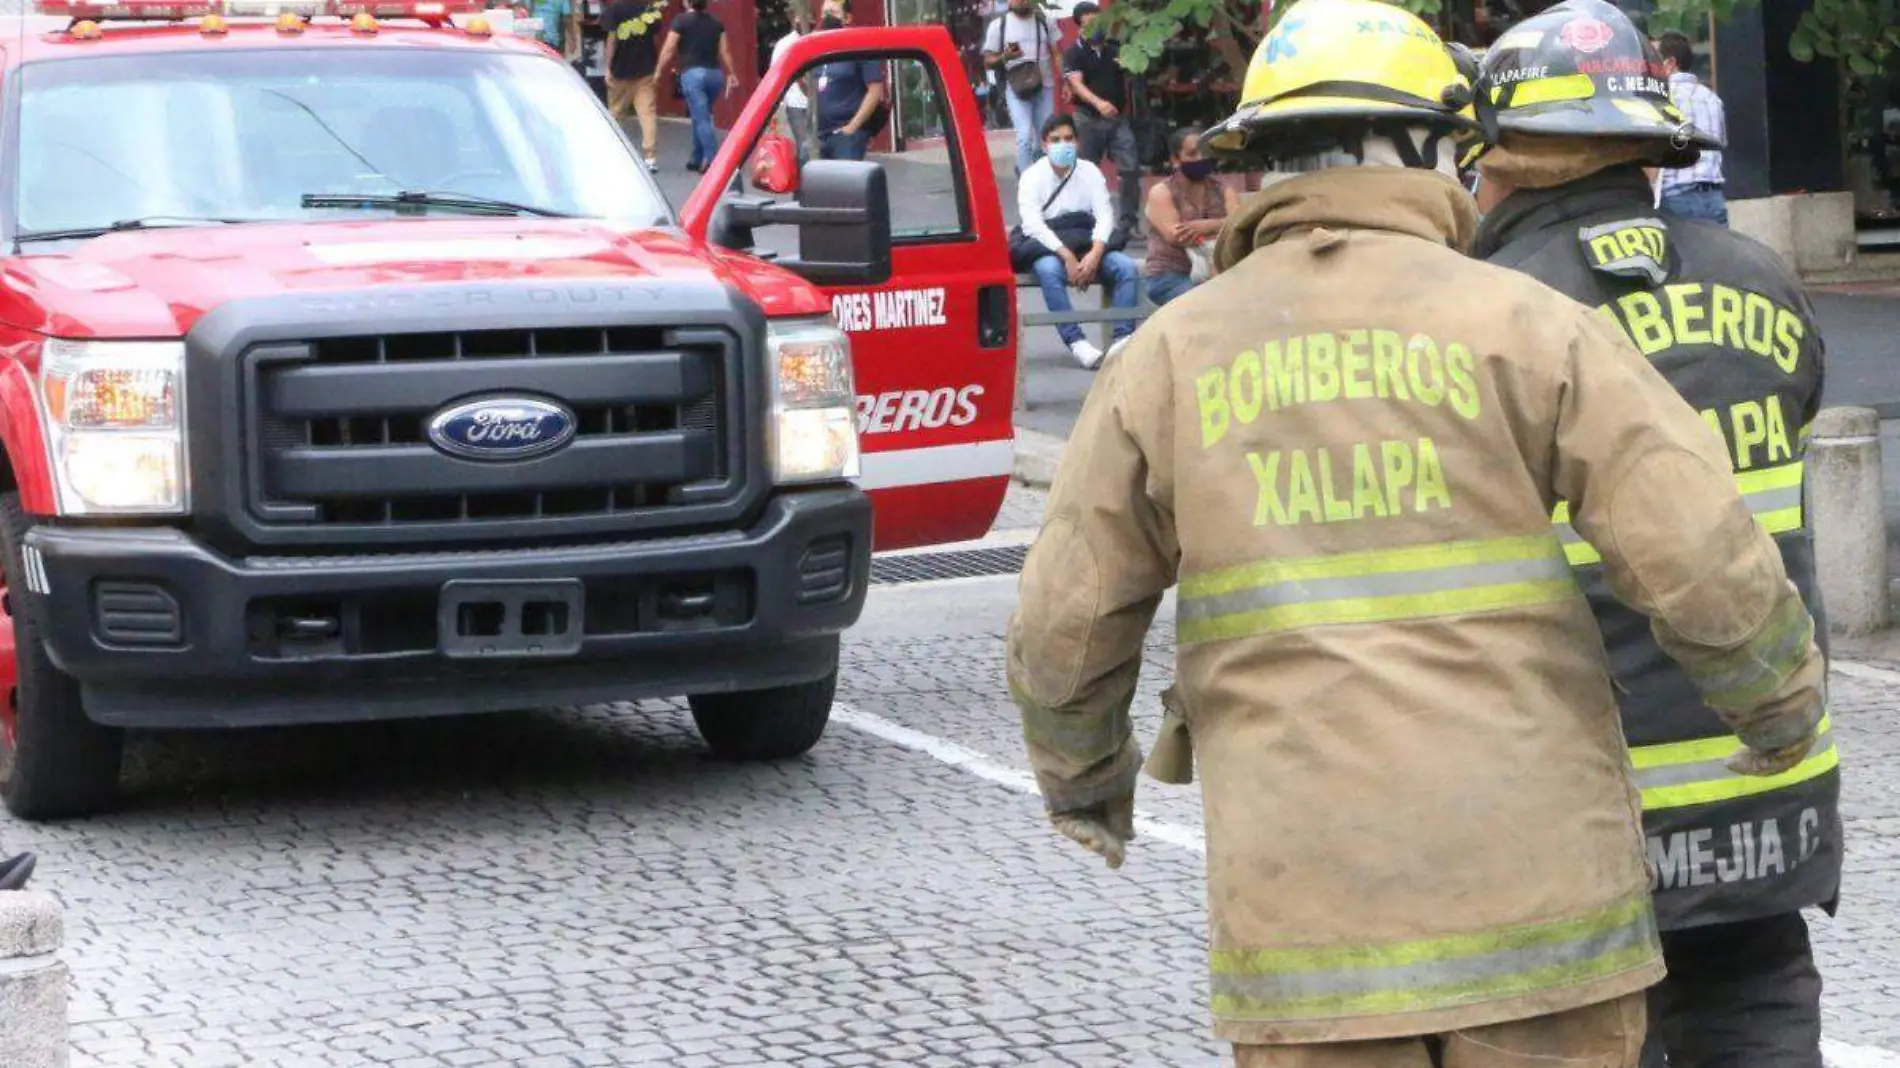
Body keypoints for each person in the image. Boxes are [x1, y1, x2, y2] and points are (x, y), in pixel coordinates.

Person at [1004, 2, 1828, 1065]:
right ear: (1434, 146)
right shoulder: (1530, 327)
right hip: (1543, 919)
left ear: (1260, 159)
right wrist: (1778, 714)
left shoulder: (1164, 360)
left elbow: (1062, 628)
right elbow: (1704, 558)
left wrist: (1085, 786)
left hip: (1309, 939)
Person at [1468, 4, 1843, 1066]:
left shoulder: (1487, 311)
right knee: (1757, 1006)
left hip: (1581, 790)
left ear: (1501, 161)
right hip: (1759, 772)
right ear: (1648, 145)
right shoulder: (1760, 278)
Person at [1015, 113, 1139, 369]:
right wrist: (1066, 256)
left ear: (1078, 142)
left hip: (1087, 242)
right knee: (1049, 270)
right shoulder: (1031, 177)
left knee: (1125, 267)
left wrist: (1095, 252)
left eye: (1069, 138)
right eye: (1056, 139)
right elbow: (1032, 224)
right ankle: (1076, 342)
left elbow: (1104, 215)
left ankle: (1122, 339)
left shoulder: (1090, 171)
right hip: (1049, 247)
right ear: (1044, 144)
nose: (1063, 144)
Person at [1063, 1, 1139, 243]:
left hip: (1118, 119)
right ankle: (1088, 224)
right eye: (1090, 23)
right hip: (1088, 119)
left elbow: (1132, 71)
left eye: (1099, 22)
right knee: (1086, 172)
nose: (1097, 28)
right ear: (1080, 26)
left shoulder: (1115, 48)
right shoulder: (1074, 52)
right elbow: (1076, 84)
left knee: (1130, 168)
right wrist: (1099, 104)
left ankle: (1129, 222)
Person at [1141, 126, 1237, 306]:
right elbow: (1178, 236)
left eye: (1204, 152)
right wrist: (1224, 226)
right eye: (1192, 154)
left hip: (1217, 273)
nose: (1201, 158)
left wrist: (1204, 226)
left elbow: (1240, 223)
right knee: (1208, 304)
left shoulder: (1224, 190)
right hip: (1168, 275)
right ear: (1176, 160)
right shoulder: (1161, 192)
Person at [655, 0, 738, 173]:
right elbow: (724, 51)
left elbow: (669, 48)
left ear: (687, 2)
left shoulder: (680, 20)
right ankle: (696, 157)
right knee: (700, 115)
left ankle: (713, 160)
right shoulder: (716, 23)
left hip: (693, 74)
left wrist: (658, 70)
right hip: (715, 75)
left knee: (701, 118)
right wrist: (731, 73)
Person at [1655, 30, 1728, 225]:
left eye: (1654, 60)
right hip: (1714, 198)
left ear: (1669, 63)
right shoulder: (1712, 99)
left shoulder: (1662, 97)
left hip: (1675, 198)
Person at [982, 0, 1061, 174]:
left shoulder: (1044, 21)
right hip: (1015, 87)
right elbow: (988, 60)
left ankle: (1040, 174)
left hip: (1044, 85)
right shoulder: (999, 25)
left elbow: (1057, 53)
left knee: (1044, 135)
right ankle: (1026, 179)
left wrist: (1066, 81)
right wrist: (1005, 57)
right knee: (1024, 135)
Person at [811, 0, 887, 161]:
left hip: (847, 134)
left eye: (832, 13)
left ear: (847, 18)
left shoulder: (859, 46)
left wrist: (853, 127)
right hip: (820, 134)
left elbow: (875, 90)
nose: (827, 18)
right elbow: (813, 89)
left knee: (845, 184)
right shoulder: (819, 49)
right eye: (824, 13)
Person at [602, 0, 664, 171]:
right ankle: (650, 157)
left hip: (619, 71)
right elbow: (655, 39)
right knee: (647, 114)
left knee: (615, 114)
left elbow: (611, 41)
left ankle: (612, 153)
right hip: (645, 70)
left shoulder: (614, 9)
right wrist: (655, 64)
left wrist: (607, 68)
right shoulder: (650, 10)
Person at [770, 9, 814, 165]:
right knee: (804, 149)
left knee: (810, 149)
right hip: (796, 103)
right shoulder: (785, 45)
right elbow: (775, 76)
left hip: (818, 105)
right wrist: (778, 107)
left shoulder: (817, 40)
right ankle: (803, 185)